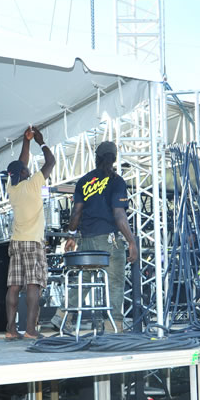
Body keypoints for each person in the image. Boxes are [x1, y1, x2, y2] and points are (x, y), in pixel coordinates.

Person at [56, 141, 139, 333]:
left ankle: (62, 316)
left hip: (86, 240)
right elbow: (119, 214)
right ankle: (113, 325)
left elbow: (76, 212)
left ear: (96, 158)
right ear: (114, 159)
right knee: (115, 283)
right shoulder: (117, 181)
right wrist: (131, 241)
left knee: (83, 280)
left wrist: (71, 236)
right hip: (108, 241)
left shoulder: (84, 181)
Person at [4, 126, 55, 340]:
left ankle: (10, 330)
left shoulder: (12, 188)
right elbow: (51, 162)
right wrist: (40, 142)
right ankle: (31, 331)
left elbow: (20, 163)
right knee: (33, 286)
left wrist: (26, 141)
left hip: (16, 243)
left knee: (14, 286)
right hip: (33, 243)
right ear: (24, 173)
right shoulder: (34, 184)